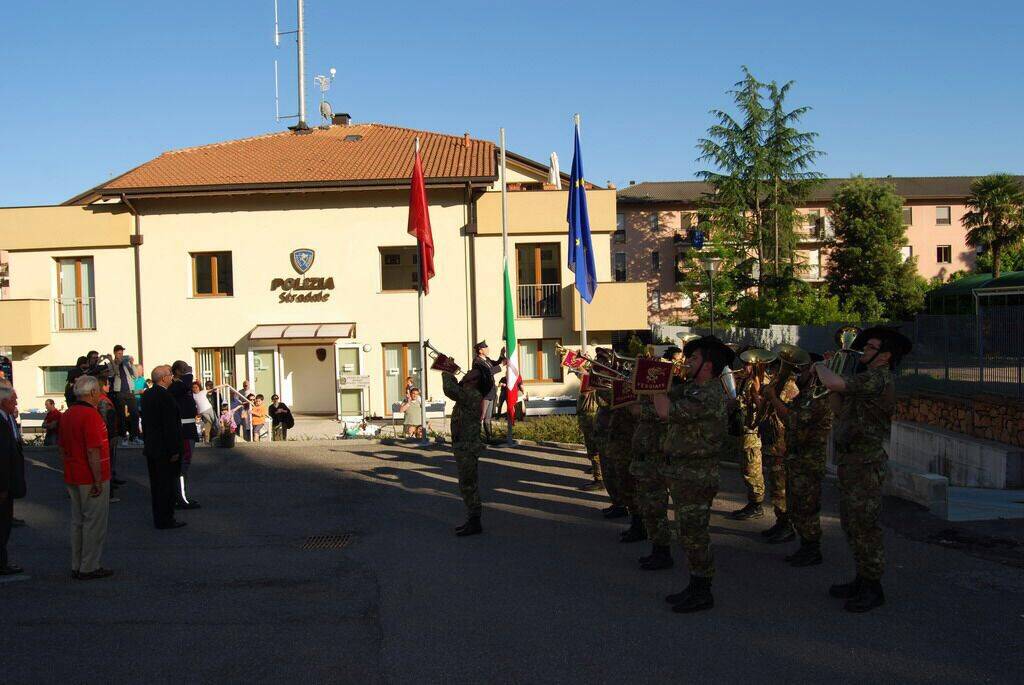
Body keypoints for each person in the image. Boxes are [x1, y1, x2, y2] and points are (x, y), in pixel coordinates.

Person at [814, 327, 911, 613]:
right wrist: (828, 378)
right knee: (851, 524)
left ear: (885, 357)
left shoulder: (879, 379)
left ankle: (873, 586)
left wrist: (821, 365)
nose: (864, 351)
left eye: (870, 348)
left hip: (866, 463)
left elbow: (839, 385)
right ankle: (862, 577)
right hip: (851, 461)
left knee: (865, 527)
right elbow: (838, 406)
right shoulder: (863, 379)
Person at [653, 336, 732, 614]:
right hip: (684, 472)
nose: (687, 362)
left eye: (694, 359)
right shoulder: (691, 389)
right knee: (687, 533)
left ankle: (703, 590)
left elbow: (664, 410)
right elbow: (665, 401)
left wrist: (650, 383)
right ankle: (695, 584)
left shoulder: (709, 394)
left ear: (708, 366)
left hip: (697, 475)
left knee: (695, 534)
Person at [764, 352, 832, 568]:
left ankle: (811, 549)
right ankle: (804, 544)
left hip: (808, 461)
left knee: (807, 507)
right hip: (798, 458)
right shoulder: (806, 395)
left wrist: (774, 397)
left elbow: (792, 419)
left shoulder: (819, 397)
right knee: (796, 504)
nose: (798, 374)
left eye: (803, 370)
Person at [58, 375, 113, 580]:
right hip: (90, 476)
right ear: (91, 393)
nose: (100, 394)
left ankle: (77, 563)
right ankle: (89, 565)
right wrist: (98, 479)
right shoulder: (91, 415)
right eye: (98, 390)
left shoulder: (68, 413)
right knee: (94, 522)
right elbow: (93, 451)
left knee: (78, 521)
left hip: (73, 474)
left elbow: (61, 448)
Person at [632, 349, 679, 571]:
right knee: (648, 507)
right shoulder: (652, 395)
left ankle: (663, 551)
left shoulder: (671, 392)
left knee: (656, 507)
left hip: (656, 459)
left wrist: (656, 385)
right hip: (645, 460)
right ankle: (656, 547)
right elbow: (634, 411)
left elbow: (661, 414)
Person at [442, 367, 492, 537]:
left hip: (467, 447)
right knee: (467, 484)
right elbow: (456, 388)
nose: (467, 371)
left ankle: (475, 522)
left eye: (472, 372)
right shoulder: (468, 392)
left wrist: (446, 370)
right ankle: (472, 520)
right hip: (464, 445)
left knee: (468, 485)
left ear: (476, 380)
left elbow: (450, 389)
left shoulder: (473, 394)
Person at [758, 364, 800, 543]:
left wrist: (772, 396)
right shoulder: (777, 384)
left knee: (781, 486)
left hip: (781, 442)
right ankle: (780, 521)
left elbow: (786, 413)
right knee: (775, 484)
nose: (774, 373)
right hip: (773, 440)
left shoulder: (790, 387)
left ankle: (787, 525)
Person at [141, 366, 186, 529]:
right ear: (163, 378)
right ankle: (166, 518)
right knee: (166, 485)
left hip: (152, 446)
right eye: (170, 375)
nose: (172, 378)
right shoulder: (165, 396)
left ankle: (159, 517)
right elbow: (170, 426)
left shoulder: (147, 394)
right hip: (165, 449)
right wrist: (174, 450)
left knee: (156, 485)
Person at [729, 356, 766, 520]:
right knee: (745, 468)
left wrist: (749, 400)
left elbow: (760, 406)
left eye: (748, 364)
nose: (744, 367)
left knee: (752, 468)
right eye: (743, 363)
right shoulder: (745, 380)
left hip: (752, 431)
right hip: (743, 429)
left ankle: (757, 504)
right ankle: (753, 502)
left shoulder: (757, 381)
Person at [0, 380, 27, 575]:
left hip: (8, 482)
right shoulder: (1, 424)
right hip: (4, 485)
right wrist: (3, 487)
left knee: (5, 523)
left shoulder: (7, 419)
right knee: (2, 525)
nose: (16, 404)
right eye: (13, 400)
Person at [169, 361, 200, 509]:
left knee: (183, 465)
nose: (187, 371)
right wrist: (188, 372)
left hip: (188, 428)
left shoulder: (181, 385)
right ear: (176, 372)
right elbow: (187, 380)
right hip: (184, 430)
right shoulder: (176, 386)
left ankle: (179, 496)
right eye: (183, 369)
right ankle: (181, 498)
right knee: (183, 465)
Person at [575, 376, 607, 498]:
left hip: (590, 419)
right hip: (587, 418)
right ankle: (598, 477)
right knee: (592, 450)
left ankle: (599, 480)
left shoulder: (596, 382)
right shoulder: (591, 379)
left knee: (594, 451)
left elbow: (587, 383)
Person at [471, 341, 504, 441]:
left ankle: (489, 437)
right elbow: (487, 372)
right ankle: (476, 437)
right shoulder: (477, 362)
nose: (487, 350)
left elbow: (496, 363)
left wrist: (502, 355)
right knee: (482, 416)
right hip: (484, 393)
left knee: (488, 417)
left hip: (491, 392)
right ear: (480, 351)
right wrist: (501, 366)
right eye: (485, 348)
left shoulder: (487, 359)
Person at [96, 379, 122, 502]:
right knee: (108, 465)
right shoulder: (104, 401)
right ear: (103, 387)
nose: (109, 386)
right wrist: (112, 436)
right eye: (107, 384)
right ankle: (108, 493)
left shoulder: (101, 400)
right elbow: (107, 421)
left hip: (107, 436)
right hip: (108, 437)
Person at [110, 345, 140, 444]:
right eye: (119, 353)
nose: (121, 355)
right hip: (119, 392)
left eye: (122, 353)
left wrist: (131, 364)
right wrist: (116, 362)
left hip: (129, 392)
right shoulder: (112, 364)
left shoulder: (126, 364)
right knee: (121, 415)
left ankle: (134, 436)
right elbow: (114, 373)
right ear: (115, 353)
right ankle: (123, 437)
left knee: (135, 414)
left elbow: (135, 376)